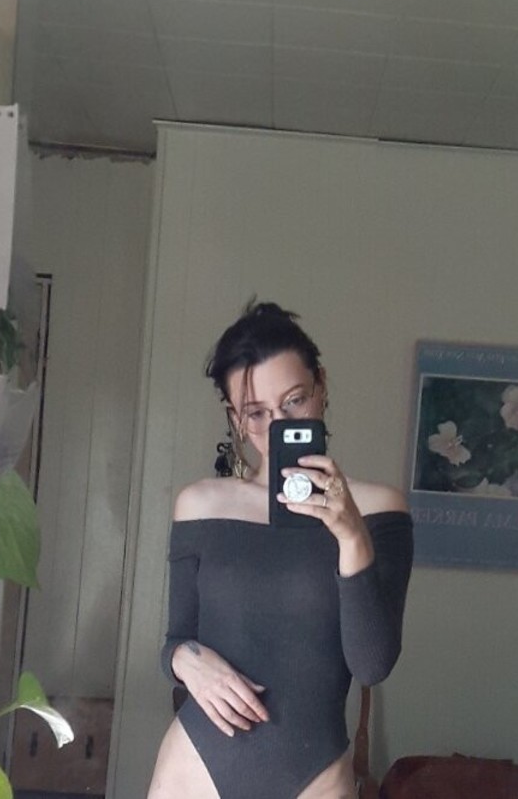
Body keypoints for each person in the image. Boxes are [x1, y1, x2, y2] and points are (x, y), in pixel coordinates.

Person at [147, 301, 413, 799]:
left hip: (316, 778)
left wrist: (351, 535)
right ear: (235, 418)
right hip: (195, 768)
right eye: (257, 413)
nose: (278, 425)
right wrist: (185, 661)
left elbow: (372, 664)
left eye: (294, 401)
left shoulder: (379, 509)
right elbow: (175, 639)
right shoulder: (200, 505)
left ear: (321, 387)